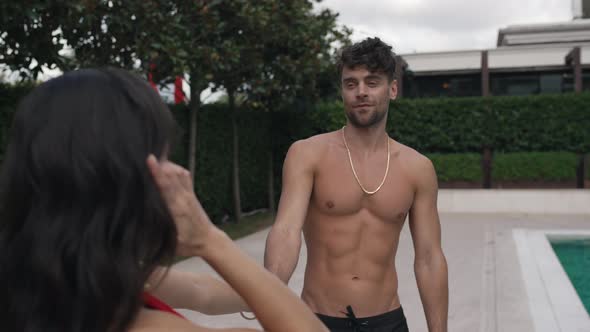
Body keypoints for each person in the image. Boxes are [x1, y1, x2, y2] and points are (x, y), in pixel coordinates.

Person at [0, 68, 327, 332]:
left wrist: (271, 285)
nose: (179, 172)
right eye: (163, 158)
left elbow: (203, 292)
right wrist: (211, 241)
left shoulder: (67, 275)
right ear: (131, 179)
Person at [263, 37, 449, 332]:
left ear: (393, 89)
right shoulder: (308, 154)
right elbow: (286, 232)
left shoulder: (418, 168)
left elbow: (429, 257)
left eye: (372, 82)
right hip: (316, 320)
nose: (360, 92)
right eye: (351, 83)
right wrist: (267, 296)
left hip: (388, 321)